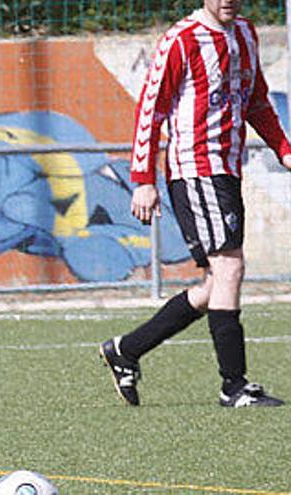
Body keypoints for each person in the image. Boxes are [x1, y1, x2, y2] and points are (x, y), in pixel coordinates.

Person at [99, 0, 289, 408]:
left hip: (227, 170)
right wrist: (142, 180)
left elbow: (255, 99)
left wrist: (284, 148)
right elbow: (151, 112)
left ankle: (126, 350)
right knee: (230, 267)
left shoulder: (245, 34)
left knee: (215, 285)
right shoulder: (181, 40)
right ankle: (233, 386)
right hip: (195, 169)